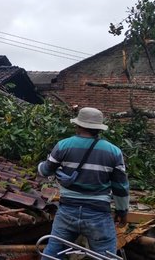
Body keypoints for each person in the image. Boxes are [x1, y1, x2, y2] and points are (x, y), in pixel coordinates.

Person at [38, 107, 129, 259]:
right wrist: (122, 212)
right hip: (98, 214)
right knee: (106, 256)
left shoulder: (63, 145)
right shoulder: (114, 152)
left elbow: (46, 170)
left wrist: (41, 165)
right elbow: (120, 187)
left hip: (67, 212)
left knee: (52, 253)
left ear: (78, 125)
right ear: (99, 129)